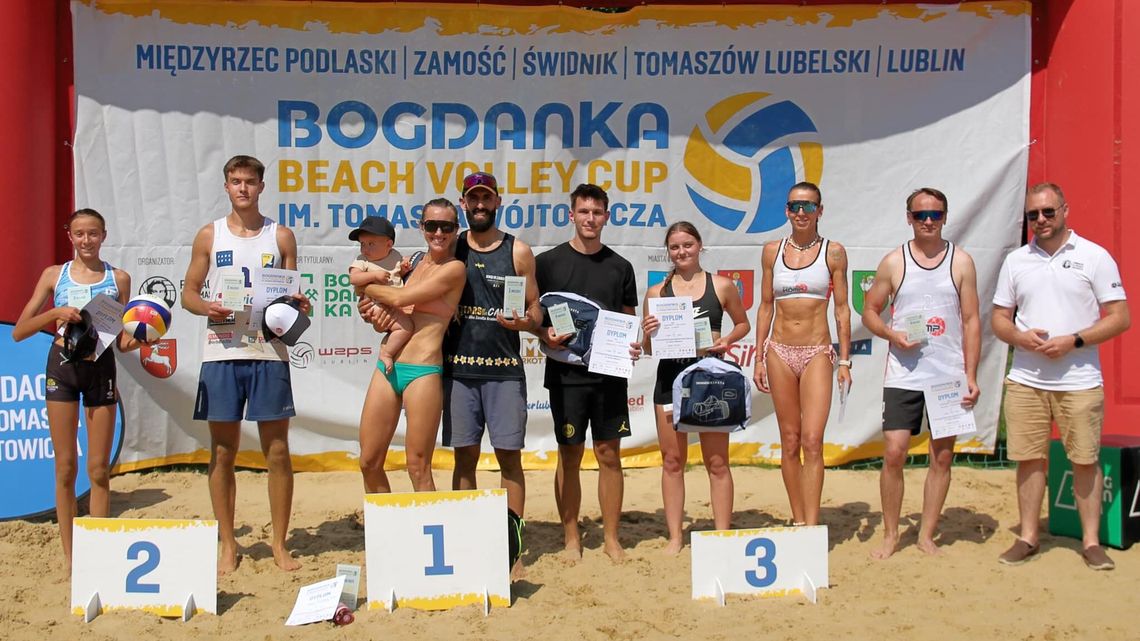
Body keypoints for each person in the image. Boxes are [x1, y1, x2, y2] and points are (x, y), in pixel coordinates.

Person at [181, 155, 311, 574]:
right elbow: (188, 293)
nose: (243, 189)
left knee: (277, 450)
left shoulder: (281, 236)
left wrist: (298, 306)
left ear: (261, 186)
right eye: (235, 182)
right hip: (222, 351)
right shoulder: (210, 235)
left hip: (268, 352)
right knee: (223, 452)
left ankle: (279, 543)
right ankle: (228, 543)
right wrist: (207, 307)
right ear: (226, 186)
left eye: (250, 182)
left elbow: (291, 296)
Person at [992, 182, 1130, 570]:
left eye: (1048, 212)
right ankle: (1029, 537)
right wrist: (1019, 336)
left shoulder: (1095, 256)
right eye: (1033, 214)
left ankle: (1090, 543)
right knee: (1028, 460)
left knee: (1084, 461)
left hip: (1080, 380)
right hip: (1026, 379)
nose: (1040, 220)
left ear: (1065, 210)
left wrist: (1076, 340)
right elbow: (999, 319)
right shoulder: (1016, 260)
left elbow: (1121, 317)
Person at [14, 208, 140, 572]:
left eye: (94, 234)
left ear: (104, 235)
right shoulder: (55, 275)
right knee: (65, 467)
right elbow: (20, 330)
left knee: (99, 469)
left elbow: (122, 340)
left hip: (100, 369)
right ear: (69, 235)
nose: (87, 241)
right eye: (80, 234)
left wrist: (149, 336)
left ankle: (98, 555)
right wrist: (56, 314)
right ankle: (71, 557)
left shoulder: (119, 279)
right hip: (63, 367)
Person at [861, 188, 981, 559]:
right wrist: (891, 333)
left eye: (935, 215)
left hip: (948, 373)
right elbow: (869, 311)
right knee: (894, 452)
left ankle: (927, 534)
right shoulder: (894, 262)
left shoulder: (961, 261)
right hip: (904, 373)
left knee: (942, 457)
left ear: (945, 217)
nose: (928, 221)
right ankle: (892, 533)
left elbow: (973, 320)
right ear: (908, 217)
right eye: (920, 215)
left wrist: (972, 374)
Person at [535, 183, 638, 562]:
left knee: (609, 454)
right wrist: (542, 332)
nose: (590, 219)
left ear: (606, 217)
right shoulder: (547, 263)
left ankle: (612, 538)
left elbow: (629, 323)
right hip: (567, 377)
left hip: (609, 376)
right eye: (584, 212)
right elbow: (533, 315)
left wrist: (634, 344)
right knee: (569, 455)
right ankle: (571, 537)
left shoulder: (620, 267)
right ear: (571, 215)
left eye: (597, 212)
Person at [640, 221, 750, 554]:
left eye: (687, 244)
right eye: (674, 247)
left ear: (700, 245)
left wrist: (726, 340)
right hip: (669, 381)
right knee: (672, 461)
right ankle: (675, 537)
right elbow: (647, 349)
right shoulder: (656, 293)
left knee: (717, 463)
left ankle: (721, 534)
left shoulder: (722, 286)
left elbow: (743, 323)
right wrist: (647, 333)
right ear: (668, 252)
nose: (681, 252)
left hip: (709, 378)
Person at [444, 173, 540, 540]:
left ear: (498, 202)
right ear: (463, 203)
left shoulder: (517, 250)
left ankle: (510, 546)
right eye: (473, 198)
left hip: (504, 374)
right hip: (459, 372)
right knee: (463, 460)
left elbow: (536, 309)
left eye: (487, 198)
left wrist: (525, 322)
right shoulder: (452, 248)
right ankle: (466, 541)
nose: (480, 205)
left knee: (509, 461)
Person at [752, 181, 852, 526]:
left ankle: (812, 523)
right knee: (790, 440)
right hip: (779, 350)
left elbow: (842, 310)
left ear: (820, 211)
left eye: (808, 206)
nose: (801, 212)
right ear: (786, 210)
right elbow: (765, 307)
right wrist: (759, 356)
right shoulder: (771, 251)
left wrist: (844, 360)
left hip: (816, 352)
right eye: (795, 206)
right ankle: (798, 519)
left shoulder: (834, 252)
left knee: (812, 440)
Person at [357, 198, 466, 494]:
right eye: (432, 225)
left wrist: (362, 283)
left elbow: (400, 299)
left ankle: (429, 531)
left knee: (418, 467)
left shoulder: (455, 269)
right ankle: (388, 532)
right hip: (388, 365)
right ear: (422, 227)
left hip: (423, 370)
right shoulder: (413, 262)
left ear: (457, 229)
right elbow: (389, 312)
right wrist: (372, 313)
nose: (439, 233)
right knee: (368, 461)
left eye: (447, 226)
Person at [348, 216, 412, 374]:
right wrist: (373, 276)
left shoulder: (395, 256)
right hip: (376, 305)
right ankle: (387, 352)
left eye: (371, 244)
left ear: (389, 244)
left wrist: (404, 268)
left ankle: (389, 351)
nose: (365, 249)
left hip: (397, 304)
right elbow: (353, 278)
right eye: (362, 244)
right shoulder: (362, 260)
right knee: (406, 328)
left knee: (407, 326)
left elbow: (398, 275)